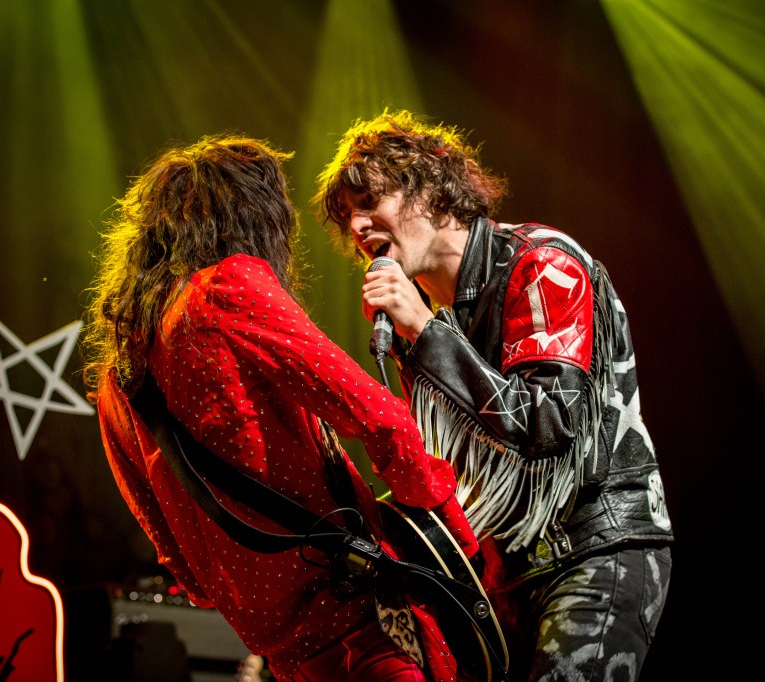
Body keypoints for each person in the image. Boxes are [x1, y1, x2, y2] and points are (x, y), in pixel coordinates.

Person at [81, 133, 480, 682]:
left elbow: (178, 563)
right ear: (253, 217)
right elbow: (376, 414)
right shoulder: (226, 284)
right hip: (356, 621)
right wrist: (452, 535)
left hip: (282, 653)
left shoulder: (118, 381)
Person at [314, 110, 673, 681]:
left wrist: (424, 333)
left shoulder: (542, 262)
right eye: (346, 217)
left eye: (369, 202)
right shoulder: (433, 320)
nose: (357, 226)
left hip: (593, 549)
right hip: (504, 576)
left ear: (429, 191)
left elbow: (548, 422)